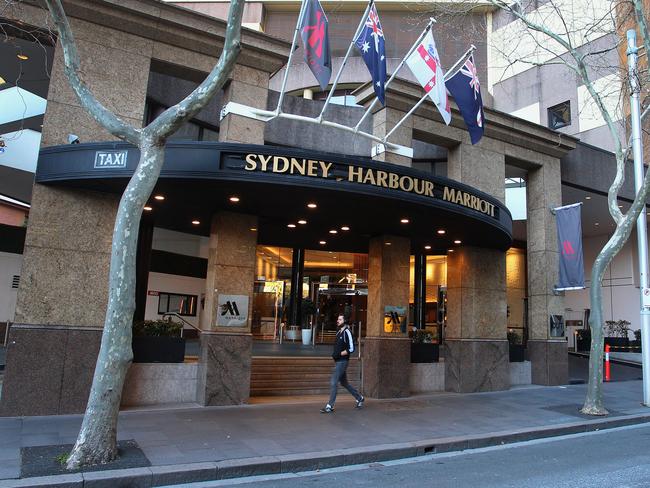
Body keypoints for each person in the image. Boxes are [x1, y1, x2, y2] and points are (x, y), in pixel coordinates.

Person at [320, 314, 364, 413]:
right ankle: (360, 398)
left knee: (333, 381)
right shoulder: (339, 332)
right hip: (338, 361)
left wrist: (339, 354)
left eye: (340, 319)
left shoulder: (347, 332)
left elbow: (352, 348)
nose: (337, 321)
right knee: (344, 383)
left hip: (342, 361)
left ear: (345, 321)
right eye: (338, 319)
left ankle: (330, 406)